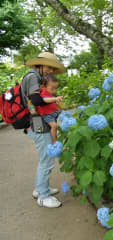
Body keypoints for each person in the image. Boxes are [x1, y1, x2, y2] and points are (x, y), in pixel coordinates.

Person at [22, 52, 66, 208]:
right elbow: (36, 100)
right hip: (38, 125)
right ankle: (43, 196)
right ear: (40, 65)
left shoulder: (34, 77)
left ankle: (41, 188)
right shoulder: (33, 77)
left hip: (36, 124)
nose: (51, 72)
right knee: (47, 160)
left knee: (44, 159)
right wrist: (54, 99)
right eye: (50, 67)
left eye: (54, 69)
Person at [36, 75, 63, 143]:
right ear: (43, 87)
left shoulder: (50, 93)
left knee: (65, 113)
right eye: (52, 88)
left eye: (56, 88)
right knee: (54, 126)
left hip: (53, 111)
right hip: (47, 114)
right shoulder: (43, 92)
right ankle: (54, 140)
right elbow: (45, 100)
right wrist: (55, 99)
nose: (54, 91)